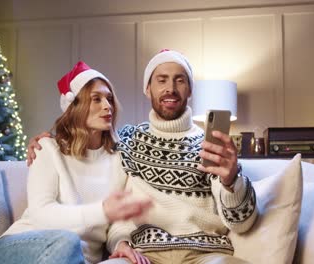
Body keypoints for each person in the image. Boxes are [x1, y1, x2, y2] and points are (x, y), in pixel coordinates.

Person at [28, 50, 258, 264]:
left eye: (180, 80)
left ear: (190, 90)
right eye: (161, 80)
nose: (171, 88)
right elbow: (120, 213)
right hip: (143, 254)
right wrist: (46, 141)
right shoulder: (127, 141)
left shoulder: (210, 145)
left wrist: (231, 180)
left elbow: (242, 223)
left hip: (205, 254)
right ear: (147, 89)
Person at [0, 61, 152, 264]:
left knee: (71, 247)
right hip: (18, 248)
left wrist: (120, 243)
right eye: (96, 99)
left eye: (109, 99)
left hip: (77, 258)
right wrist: (102, 211)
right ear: (75, 106)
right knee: (68, 241)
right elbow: (41, 214)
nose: (107, 106)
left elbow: (116, 223)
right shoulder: (47, 148)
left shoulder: (119, 159)